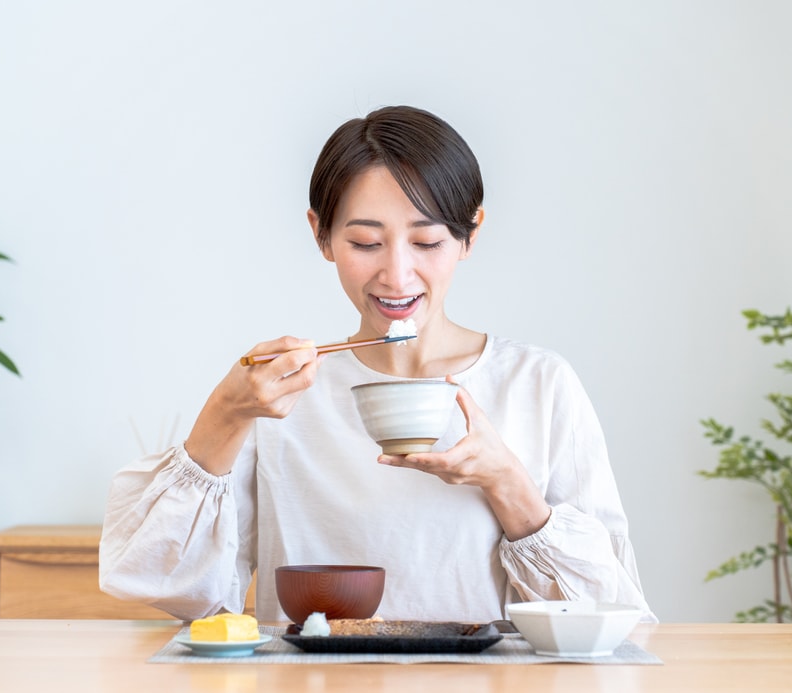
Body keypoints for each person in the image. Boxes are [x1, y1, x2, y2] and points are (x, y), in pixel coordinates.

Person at [99, 105, 655, 623]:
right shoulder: (280, 395)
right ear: (321, 235)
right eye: (366, 243)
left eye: (427, 241)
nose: (397, 274)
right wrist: (224, 414)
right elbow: (162, 583)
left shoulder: (537, 384)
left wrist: (507, 483)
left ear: (470, 235)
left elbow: (612, 617)